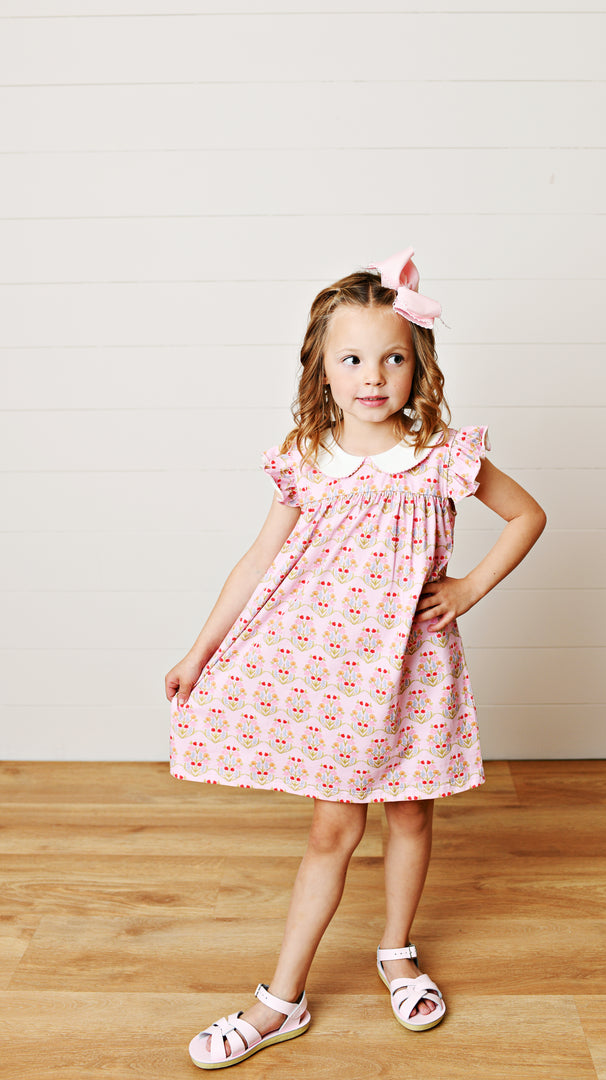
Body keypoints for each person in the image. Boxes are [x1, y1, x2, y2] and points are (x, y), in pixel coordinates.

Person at [165, 247, 546, 1069]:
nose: (373, 376)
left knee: (410, 810)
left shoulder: (440, 453)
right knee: (333, 826)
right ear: (322, 367)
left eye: (393, 357)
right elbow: (258, 560)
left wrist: (469, 590)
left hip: (413, 667)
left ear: (418, 365)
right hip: (332, 674)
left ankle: (397, 950)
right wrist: (201, 649)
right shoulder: (306, 457)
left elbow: (527, 516)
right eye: (352, 358)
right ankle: (281, 1000)